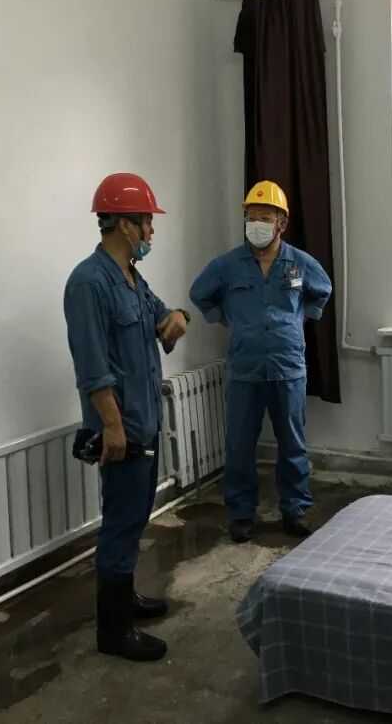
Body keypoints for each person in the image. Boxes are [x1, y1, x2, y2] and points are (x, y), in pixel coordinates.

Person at [63, 171, 189, 662]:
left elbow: (164, 316)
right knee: (120, 523)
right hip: (122, 428)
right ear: (123, 223)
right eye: (146, 222)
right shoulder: (89, 283)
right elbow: (92, 367)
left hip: (144, 419)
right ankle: (113, 631)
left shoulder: (132, 279)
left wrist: (179, 316)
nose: (152, 231)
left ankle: (126, 598)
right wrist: (111, 426)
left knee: (135, 517)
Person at [189, 180, 332, 543]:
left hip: (288, 368)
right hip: (245, 369)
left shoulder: (299, 263)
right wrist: (226, 320)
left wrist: (301, 319)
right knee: (239, 445)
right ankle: (241, 513)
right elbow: (199, 293)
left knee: (292, 443)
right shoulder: (227, 265)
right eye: (252, 217)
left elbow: (323, 290)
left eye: (265, 218)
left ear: (281, 223)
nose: (257, 224)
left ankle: (294, 509)